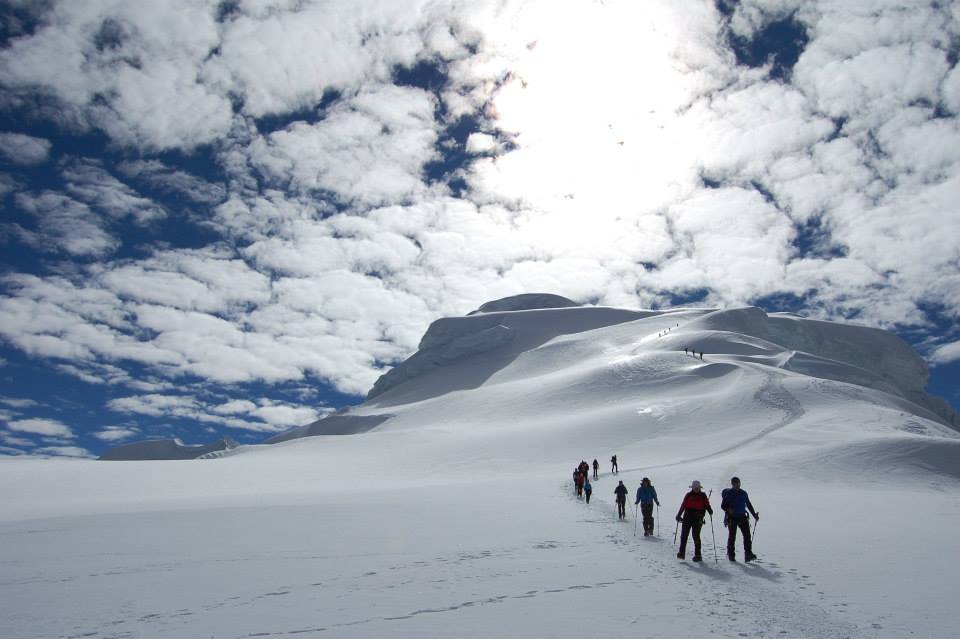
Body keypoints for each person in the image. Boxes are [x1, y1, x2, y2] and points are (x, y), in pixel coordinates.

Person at [720, 476, 759, 562]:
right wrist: (728, 509)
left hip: (742, 517)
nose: (737, 484)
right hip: (732, 517)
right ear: (732, 484)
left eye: (738, 483)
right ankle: (731, 555)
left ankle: (748, 554)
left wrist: (754, 515)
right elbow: (723, 505)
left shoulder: (743, 493)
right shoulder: (729, 493)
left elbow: (748, 504)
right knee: (732, 536)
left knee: (747, 536)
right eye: (735, 483)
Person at [676, 480, 713, 561]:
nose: (696, 489)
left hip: (698, 518)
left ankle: (698, 555)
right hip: (687, 517)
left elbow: (707, 504)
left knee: (695, 536)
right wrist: (679, 514)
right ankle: (681, 553)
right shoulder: (688, 495)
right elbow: (683, 505)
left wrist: (710, 510)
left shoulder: (703, 496)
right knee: (684, 535)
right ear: (692, 488)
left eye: (697, 488)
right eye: (695, 488)